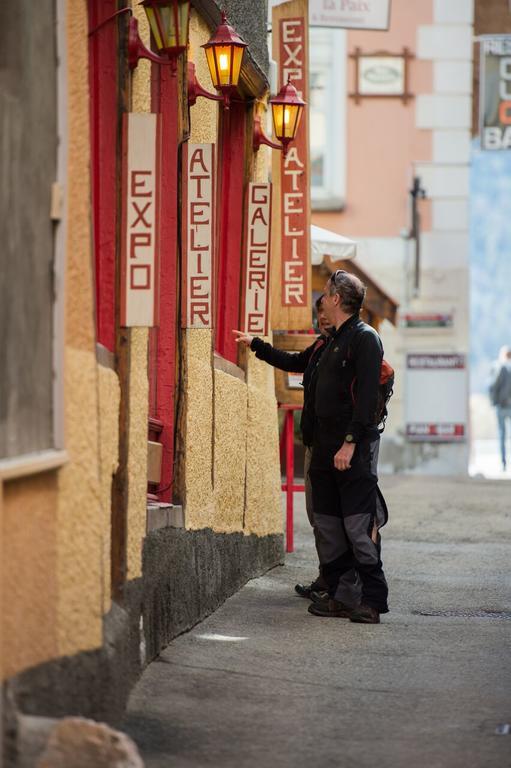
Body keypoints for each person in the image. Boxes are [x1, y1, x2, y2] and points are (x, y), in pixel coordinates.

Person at [233, 296, 331, 599]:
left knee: (334, 517)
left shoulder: (355, 343)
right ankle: (327, 577)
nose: (322, 318)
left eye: (327, 312)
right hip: (317, 443)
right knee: (317, 514)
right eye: (319, 314)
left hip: (337, 447)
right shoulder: (320, 346)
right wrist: (256, 344)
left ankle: (342, 584)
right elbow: (291, 362)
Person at [307, 269, 389, 625]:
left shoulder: (365, 338)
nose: (323, 299)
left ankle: (371, 601)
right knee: (328, 527)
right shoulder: (331, 339)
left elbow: (367, 398)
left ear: (337, 299)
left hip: (349, 451)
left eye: (326, 294)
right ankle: (341, 596)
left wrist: (350, 443)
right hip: (324, 450)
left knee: (357, 528)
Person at [489, 346, 511, 471]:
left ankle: (503, 463)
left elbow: (493, 385)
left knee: (502, 435)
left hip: (501, 406)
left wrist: (494, 401)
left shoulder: (500, 367)